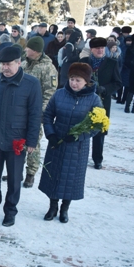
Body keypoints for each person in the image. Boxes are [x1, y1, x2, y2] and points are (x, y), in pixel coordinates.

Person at [0, 46, 42, 227]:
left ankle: (10, 211)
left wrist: (31, 140)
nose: (5, 68)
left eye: (9, 64)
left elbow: (35, 114)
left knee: (14, 179)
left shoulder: (31, 84)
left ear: (19, 63)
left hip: (17, 140)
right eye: (2, 64)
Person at [39, 63, 103, 223]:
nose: (74, 83)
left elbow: (97, 124)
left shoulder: (94, 99)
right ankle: (52, 206)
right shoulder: (59, 94)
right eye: (72, 79)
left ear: (86, 82)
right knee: (54, 175)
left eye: (78, 80)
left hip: (77, 147)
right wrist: (51, 134)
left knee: (71, 178)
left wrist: (78, 136)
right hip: (57, 143)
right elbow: (48, 115)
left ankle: (64, 209)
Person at [78, 37, 122, 169]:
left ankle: (97, 159)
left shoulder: (112, 63)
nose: (100, 50)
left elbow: (118, 83)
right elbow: (76, 79)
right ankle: (79, 155)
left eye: (102, 48)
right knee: (81, 128)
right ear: (91, 50)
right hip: (85, 100)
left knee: (99, 130)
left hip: (102, 101)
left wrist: (106, 89)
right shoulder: (84, 62)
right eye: (97, 48)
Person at [21, 35, 58, 188]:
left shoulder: (48, 68)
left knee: (33, 143)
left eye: (28, 48)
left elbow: (50, 92)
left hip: (36, 113)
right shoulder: (23, 64)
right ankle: (16, 170)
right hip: (20, 111)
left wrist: (40, 112)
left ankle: (31, 173)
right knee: (18, 141)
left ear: (35, 51)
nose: (25, 49)